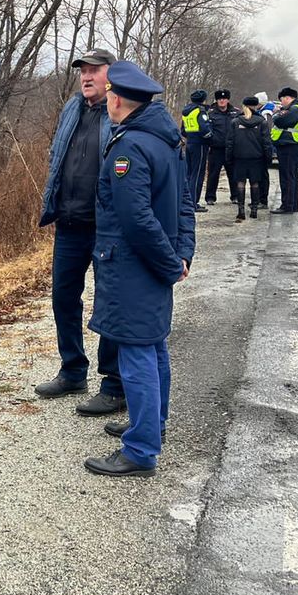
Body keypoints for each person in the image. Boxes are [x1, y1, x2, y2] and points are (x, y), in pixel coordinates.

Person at [84, 61, 196, 478]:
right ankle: (152, 426)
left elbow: (135, 219)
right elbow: (185, 204)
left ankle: (141, 450)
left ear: (116, 98)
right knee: (154, 347)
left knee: (135, 353)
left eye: (109, 95)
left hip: (133, 266)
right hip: (155, 263)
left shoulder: (130, 146)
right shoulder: (168, 140)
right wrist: (181, 254)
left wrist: (169, 261)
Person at [35, 49, 124, 413]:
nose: (86, 77)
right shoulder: (72, 108)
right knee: (63, 298)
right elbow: (57, 157)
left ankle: (113, 382)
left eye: (94, 71)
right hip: (69, 223)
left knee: (108, 303)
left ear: (110, 76)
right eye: (83, 71)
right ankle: (72, 370)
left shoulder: (119, 113)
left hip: (104, 226)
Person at [226, 96, 269, 221]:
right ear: (256, 106)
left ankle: (241, 210)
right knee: (255, 183)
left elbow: (230, 142)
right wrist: (267, 158)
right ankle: (254, 210)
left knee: (240, 183)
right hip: (256, 158)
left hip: (239, 157)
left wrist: (228, 158)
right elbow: (266, 142)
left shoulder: (235, 122)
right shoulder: (262, 122)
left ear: (243, 106)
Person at [270, 86, 298, 214]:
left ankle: (287, 205)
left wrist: (276, 116)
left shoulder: (295, 109)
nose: (281, 103)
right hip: (290, 146)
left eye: (282, 100)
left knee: (287, 177)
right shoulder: (297, 108)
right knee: (291, 177)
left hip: (289, 146)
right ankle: (291, 205)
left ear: (288, 98)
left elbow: (281, 121)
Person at [204, 89, 239, 205]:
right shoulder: (210, 113)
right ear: (216, 100)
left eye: (224, 99)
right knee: (213, 174)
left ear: (228, 100)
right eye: (219, 99)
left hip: (231, 149)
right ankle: (210, 197)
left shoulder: (236, 113)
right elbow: (206, 129)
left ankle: (235, 196)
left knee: (233, 174)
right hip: (216, 149)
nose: (222, 101)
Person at [180, 90, 211, 213]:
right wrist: (210, 136)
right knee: (198, 174)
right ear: (203, 99)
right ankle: (194, 203)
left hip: (189, 143)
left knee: (189, 174)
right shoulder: (200, 111)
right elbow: (204, 129)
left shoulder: (186, 111)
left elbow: (183, 130)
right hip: (200, 144)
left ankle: (187, 201)